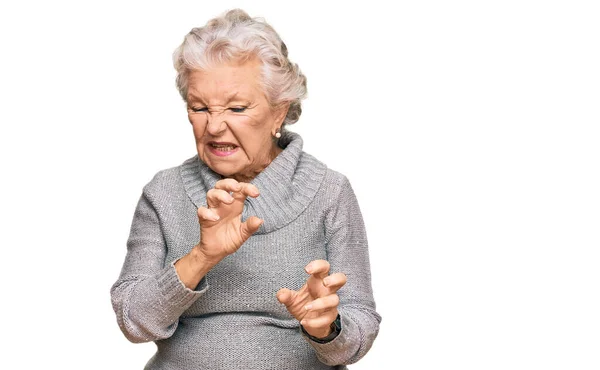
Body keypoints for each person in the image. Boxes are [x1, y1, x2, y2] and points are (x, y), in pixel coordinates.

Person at [110, 9, 381, 370]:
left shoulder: (329, 191)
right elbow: (134, 322)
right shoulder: (164, 192)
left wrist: (326, 329)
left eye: (237, 107)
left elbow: (357, 329)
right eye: (199, 107)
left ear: (279, 112)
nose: (215, 126)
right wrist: (203, 256)